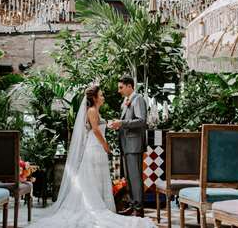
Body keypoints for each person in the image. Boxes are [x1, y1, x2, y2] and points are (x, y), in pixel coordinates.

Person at [27, 85, 155, 228]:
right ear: (94, 98)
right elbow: (95, 130)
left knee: (96, 178)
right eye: (101, 95)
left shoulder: (96, 111)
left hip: (97, 148)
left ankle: (99, 204)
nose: (103, 97)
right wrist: (105, 145)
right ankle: (93, 206)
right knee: (92, 178)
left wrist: (111, 124)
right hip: (94, 148)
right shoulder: (92, 110)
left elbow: (98, 125)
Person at [109, 76, 147, 217]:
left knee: (135, 177)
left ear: (130, 86)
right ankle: (132, 204)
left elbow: (141, 121)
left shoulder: (138, 99)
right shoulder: (124, 102)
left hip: (134, 144)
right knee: (129, 178)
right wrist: (117, 125)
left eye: (121, 87)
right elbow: (125, 122)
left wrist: (122, 123)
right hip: (125, 144)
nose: (119, 90)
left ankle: (139, 208)